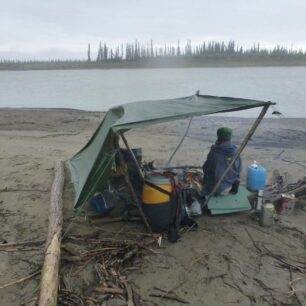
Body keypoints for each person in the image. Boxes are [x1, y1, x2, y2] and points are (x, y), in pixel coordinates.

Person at [202, 127, 241, 196]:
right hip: (231, 187)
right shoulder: (236, 152)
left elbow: (206, 169)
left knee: (205, 176)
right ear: (230, 137)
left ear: (218, 137)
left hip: (217, 189)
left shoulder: (214, 152)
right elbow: (239, 169)